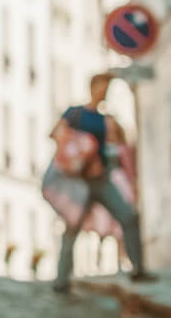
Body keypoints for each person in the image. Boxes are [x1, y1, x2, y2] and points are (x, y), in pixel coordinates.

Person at [51, 71, 154, 294]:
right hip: (78, 181)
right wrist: (80, 151)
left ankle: (137, 268)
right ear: (92, 87)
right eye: (101, 87)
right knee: (72, 227)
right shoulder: (75, 114)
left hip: (101, 179)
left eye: (107, 88)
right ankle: (61, 280)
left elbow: (119, 145)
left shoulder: (106, 119)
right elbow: (56, 134)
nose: (103, 92)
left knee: (129, 216)